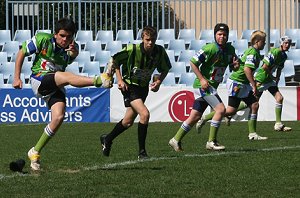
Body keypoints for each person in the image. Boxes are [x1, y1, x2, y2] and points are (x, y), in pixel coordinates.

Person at [13, 17, 113, 171]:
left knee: (59, 117)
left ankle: (35, 151)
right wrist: (16, 77)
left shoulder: (73, 48)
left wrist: (74, 53)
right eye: (62, 35)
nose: (65, 39)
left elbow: (72, 55)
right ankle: (100, 80)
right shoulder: (42, 39)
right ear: (55, 34)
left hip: (55, 85)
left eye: (69, 36)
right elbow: (21, 53)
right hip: (39, 80)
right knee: (66, 76)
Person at [100, 26, 172, 159]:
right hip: (129, 87)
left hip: (143, 88)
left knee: (127, 122)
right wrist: (120, 80)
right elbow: (114, 61)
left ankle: (107, 139)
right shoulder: (132, 50)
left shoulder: (159, 51)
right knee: (144, 114)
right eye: (148, 39)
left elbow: (166, 68)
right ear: (142, 39)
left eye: (153, 40)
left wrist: (159, 82)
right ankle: (142, 152)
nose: (150, 42)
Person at [168, 23, 239, 152]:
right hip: (204, 86)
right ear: (215, 35)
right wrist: (201, 79)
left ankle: (175, 139)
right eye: (219, 34)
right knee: (220, 109)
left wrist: (235, 66)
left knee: (195, 116)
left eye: (224, 34)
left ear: (228, 36)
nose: (222, 37)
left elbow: (233, 66)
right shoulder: (209, 48)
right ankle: (211, 142)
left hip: (211, 86)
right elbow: (193, 62)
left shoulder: (230, 50)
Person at [197, 30, 268, 140]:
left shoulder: (254, 52)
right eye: (263, 41)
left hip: (242, 83)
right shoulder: (253, 53)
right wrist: (254, 85)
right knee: (231, 110)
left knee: (254, 105)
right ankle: (205, 118)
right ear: (257, 41)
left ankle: (252, 134)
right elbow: (247, 69)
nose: (265, 43)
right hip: (237, 83)